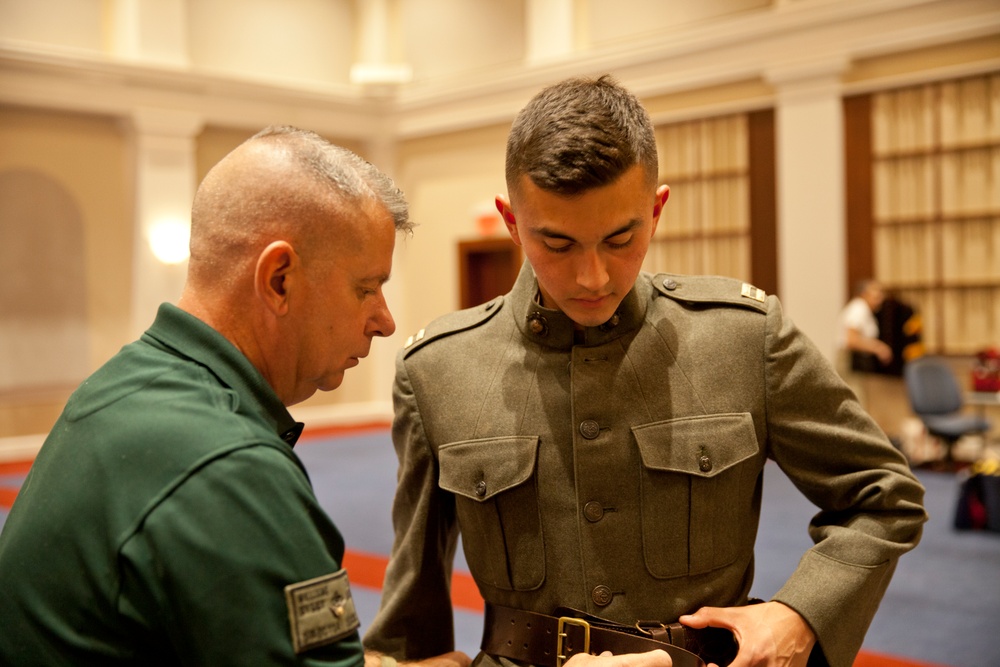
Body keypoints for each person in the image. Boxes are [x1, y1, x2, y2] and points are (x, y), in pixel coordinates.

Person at [0, 126, 674, 667]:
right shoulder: (226, 469)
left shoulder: (121, 388)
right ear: (281, 278)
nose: (383, 320)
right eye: (365, 288)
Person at [363, 77, 927, 667]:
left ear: (655, 211)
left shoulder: (741, 338)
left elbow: (884, 496)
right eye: (556, 243)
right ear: (510, 221)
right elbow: (412, 613)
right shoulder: (437, 370)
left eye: (620, 238)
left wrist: (799, 616)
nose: (593, 277)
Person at [835, 279, 893, 409]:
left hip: (856, 361)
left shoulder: (863, 309)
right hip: (849, 360)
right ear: (864, 294)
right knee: (855, 400)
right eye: (876, 295)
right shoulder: (859, 309)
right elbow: (851, 340)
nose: (880, 299)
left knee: (858, 399)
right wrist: (878, 348)